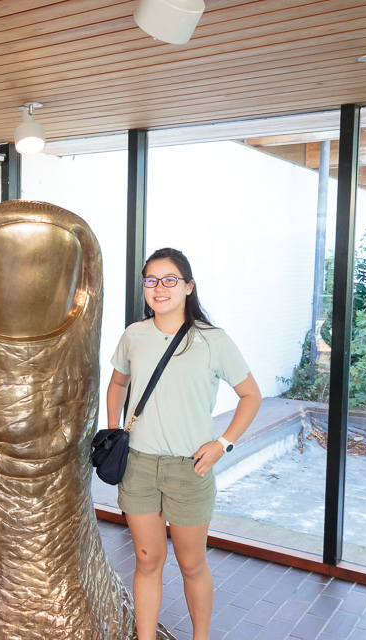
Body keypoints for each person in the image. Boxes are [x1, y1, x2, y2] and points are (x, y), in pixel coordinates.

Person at [106, 247, 262, 640]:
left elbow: (251, 396)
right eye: (151, 280)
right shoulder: (134, 335)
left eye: (170, 279)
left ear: (189, 286)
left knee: (191, 564)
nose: (159, 288)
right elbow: (118, 383)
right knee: (147, 559)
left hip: (190, 467)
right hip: (138, 465)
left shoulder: (212, 340)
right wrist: (114, 430)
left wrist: (223, 443)